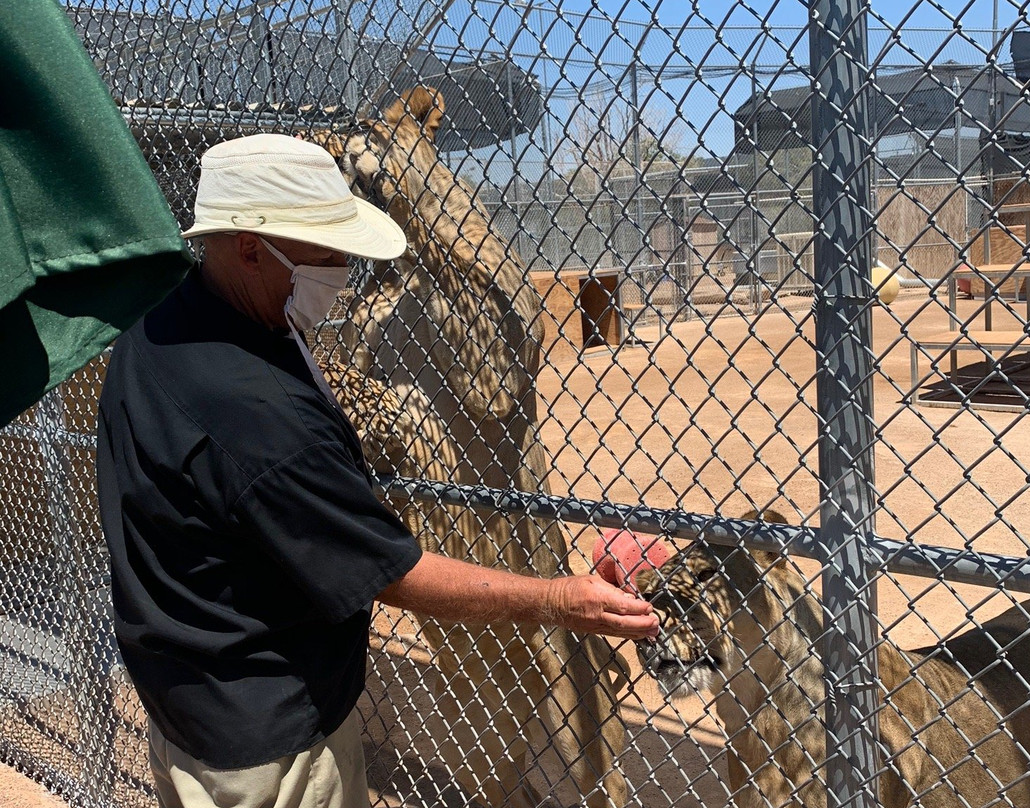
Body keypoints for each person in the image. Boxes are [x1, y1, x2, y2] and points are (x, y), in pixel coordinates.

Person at [95, 133, 658, 808]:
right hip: (268, 742)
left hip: (188, 698)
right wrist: (560, 600)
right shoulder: (261, 417)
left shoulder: (158, 328)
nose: (339, 266)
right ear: (248, 247)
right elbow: (393, 573)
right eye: (324, 248)